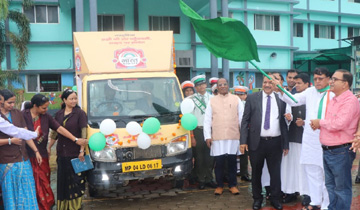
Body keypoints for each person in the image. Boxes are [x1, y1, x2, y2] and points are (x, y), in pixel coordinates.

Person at [275, 67, 331, 210]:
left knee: (326, 173)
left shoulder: (333, 94)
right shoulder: (310, 92)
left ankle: (326, 204)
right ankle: (315, 201)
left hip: (327, 137)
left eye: (321, 78)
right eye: (316, 78)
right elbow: (294, 100)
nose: (317, 81)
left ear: (328, 79)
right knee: (312, 170)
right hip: (310, 138)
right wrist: (281, 89)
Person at [22, 94, 87, 210]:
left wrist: (76, 140)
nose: (46, 110)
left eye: (47, 107)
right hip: (27, 156)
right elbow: (26, 135)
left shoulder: (47, 117)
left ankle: (46, 206)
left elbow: (59, 129)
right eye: (44, 108)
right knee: (30, 183)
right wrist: (45, 147)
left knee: (45, 182)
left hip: (43, 156)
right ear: (35, 106)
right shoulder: (23, 116)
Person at [310, 70, 359, 210]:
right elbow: (331, 122)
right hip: (329, 150)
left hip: (340, 151)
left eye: (334, 79)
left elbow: (340, 123)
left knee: (341, 188)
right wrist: (319, 124)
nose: (331, 82)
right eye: (331, 79)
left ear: (345, 84)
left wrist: (321, 122)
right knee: (331, 186)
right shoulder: (334, 99)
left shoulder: (350, 100)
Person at [240, 74, 289, 210]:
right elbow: (245, 120)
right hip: (257, 142)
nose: (267, 85)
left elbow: (283, 123)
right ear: (262, 83)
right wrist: (243, 141)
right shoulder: (252, 98)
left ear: (275, 84)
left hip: (275, 142)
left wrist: (285, 144)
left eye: (270, 83)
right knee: (256, 172)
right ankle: (257, 199)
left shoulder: (281, 99)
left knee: (275, 173)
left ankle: (275, 199)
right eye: (265, 82)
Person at [0, 89, 42, 210]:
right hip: (6, 161)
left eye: (13, 102)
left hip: (23, 158)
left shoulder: (17, 113)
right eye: (9, 102)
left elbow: (24, 134)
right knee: (11, 194)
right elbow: (15, 132)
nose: (12, 105)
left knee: (28, 191)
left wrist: (36, 150)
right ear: (1, 101)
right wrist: (10, 141)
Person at [48, 89, 88, 210]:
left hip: (76, 153)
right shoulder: (59, 114)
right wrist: (49, 147)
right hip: (62, 153)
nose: (74, 101)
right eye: (71, 98)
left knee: (77, 181)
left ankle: (75, 206)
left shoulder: (80, 113)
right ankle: (64, 207)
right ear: (64, 100)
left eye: (75, 98)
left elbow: (83, 133)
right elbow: (55, 133)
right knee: (63, 181)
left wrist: (82, 150)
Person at [204, 78, 244, 195]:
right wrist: (207, 136)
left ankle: (232, 185)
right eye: (220, 85)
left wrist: (244, 137)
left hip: (233, 136)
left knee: (232, 162)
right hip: (218, 137)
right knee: (219, 163)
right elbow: (207, 120)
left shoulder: (236, 99)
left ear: (228, 86)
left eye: (224, 84)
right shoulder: (212, 101)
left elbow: (242, 118)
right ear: (217, 87)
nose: (222, 86)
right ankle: (219, 185)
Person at [281, 73, 311, 205]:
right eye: (295, 83)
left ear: (307, 84)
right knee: (291, 166)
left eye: (299, 83)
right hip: (292, 136)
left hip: (307, 139)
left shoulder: (312, 96)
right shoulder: (291, 96)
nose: (296, 85)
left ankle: (307, 194)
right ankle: (291, 191)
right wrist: (289, 118)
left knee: (305, 167)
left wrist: (304, 122)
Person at [188, 75, 216, 189]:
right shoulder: (190, 100)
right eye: (198, 85)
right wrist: (192, 136)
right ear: (195, 87)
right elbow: (188, 119)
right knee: (199, 158)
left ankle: (209, 178)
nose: (201, 87)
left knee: (210, 157)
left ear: (206, 85)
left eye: (203, 84)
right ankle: (201, 180)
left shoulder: (213, 98)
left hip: (210, 130)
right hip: (198, 130)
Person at [233, 86, 251, 182]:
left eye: (241, 95)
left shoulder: (248, 104)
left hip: (244, 131)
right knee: (231, 152)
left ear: (245, 95)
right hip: (233, 131)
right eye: (237, 94)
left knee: (244, 152)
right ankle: (230, 174)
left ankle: (244, 173)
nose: (239, 97)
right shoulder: (231, 103)